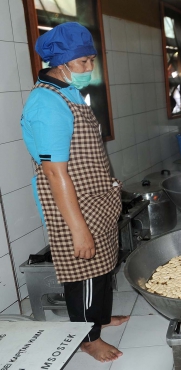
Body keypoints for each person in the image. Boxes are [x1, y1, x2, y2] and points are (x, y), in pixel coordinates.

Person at [20, 23, 129, 362]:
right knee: (83, 271)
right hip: (70, 203)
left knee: (101, 265)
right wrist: (77, 227)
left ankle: (97, 317)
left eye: (92, 60)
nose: (90, 69)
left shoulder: (68, 91)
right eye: (84, 62)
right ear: (61, 62)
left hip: (92, 197)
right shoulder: (46, 103)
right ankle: (86, 337)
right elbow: (54, 172)